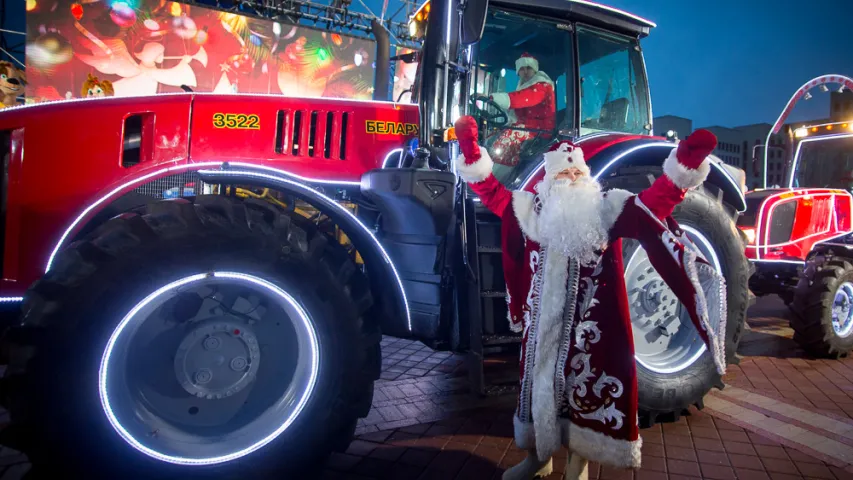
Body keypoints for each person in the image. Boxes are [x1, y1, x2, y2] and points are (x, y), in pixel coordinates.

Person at [452, 115, 727, 480]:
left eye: (576, 175)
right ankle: (538, 458)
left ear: (587, 179)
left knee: (585, 401)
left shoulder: (606, 211)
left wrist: (685, 166)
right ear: (548, 183)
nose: (570, 181)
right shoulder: (531, 213)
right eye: (562, 176)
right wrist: (471, 153)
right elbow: (491, 192)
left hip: (591, 337)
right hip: (539, 334)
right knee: (535, 392)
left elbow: (655, 203)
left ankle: (577, 468)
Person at [486, 53, 556, 168]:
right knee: (491, 136)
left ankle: (506, 169)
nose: (526, 71)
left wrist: (494, 98)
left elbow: (522, 98)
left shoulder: (542, 86)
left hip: (541, 129)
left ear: (535, 69)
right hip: (529, 126)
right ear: (518, 72)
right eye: (522, 69)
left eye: (529, 68)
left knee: (506, 139)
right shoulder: (524, 85)